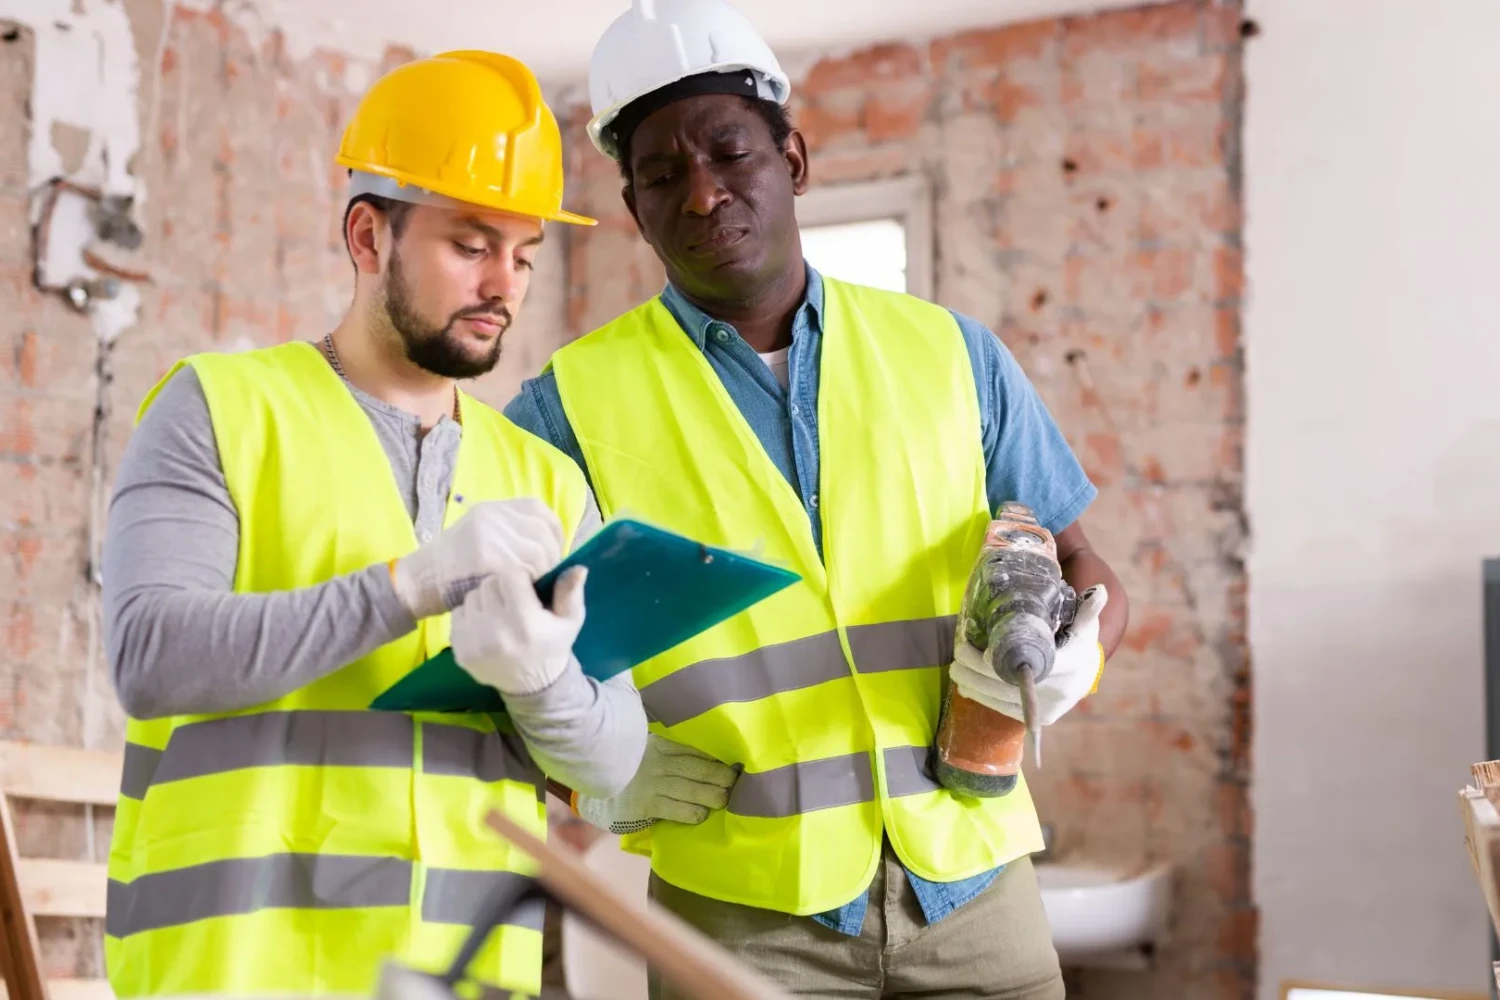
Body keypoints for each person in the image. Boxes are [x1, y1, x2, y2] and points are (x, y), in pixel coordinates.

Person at [503, 2, 1131, 998]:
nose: (703, 194)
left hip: (976, 890)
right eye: (662, 175)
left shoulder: (953, 357)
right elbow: (499, 656)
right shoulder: (564, 408)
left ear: (791, 158)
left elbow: (1081, 561)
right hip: (740, 911)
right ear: (634, 206)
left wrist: (1076, 655)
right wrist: (590, 769)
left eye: (728, 152)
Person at [100, 50, 646, 999]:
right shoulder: (220, 410)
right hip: (240, 969)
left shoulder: (545, 483)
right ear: (367, 235)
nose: (503, 285)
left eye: (522, 256)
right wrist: (410, 586)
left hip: (459, 975)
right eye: (471, 245)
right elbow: (151, 657)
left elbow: (614, 762)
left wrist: (544, 680)